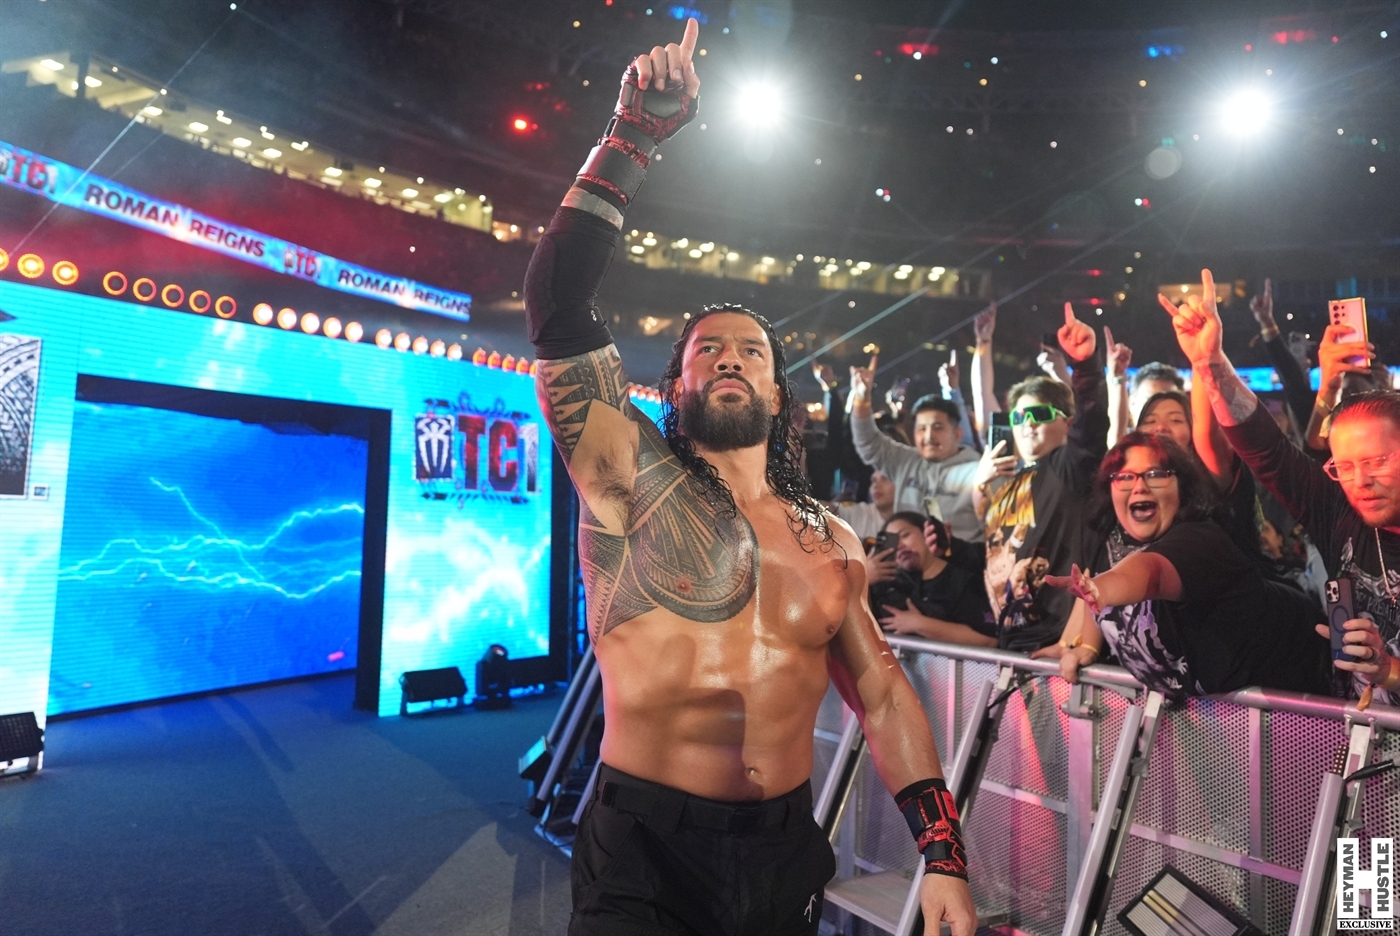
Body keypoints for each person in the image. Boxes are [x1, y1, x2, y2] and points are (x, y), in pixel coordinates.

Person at [522, 19, 976, 934]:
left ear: (776, 392)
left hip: (779, 849)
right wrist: (631, 138)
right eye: (707, 349)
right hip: (642, 851)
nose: (729, 356)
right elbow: (558, 303)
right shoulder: (626, 475)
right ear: (677, 386)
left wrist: (945, 857)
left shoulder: (831, 540)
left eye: (751, 351)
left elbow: (883, 693)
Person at [1160, 268, 1399, 705]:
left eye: (1376, 462)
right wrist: (1210, 365)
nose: (1360, 481)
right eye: (1344, 467)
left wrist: (1390, 671)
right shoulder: (1340, 510)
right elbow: (1266, 448)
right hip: (1357, 733)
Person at [1033, 433, 1331, 699]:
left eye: (1156, 474)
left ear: (1182, 487)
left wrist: (1103, 589)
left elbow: (1152, 574)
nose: (1139, 486)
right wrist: (1086, 645)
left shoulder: (1201, 539)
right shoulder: (1106, 535)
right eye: (1124, 476)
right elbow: (1095, 585)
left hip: (1293, 688)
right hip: (1213, 707)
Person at [972, 303, 1108, 652]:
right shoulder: (1005, 482)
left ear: (1067, 421)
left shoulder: (1068, 467)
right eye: (1018, 417)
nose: (1027, 423)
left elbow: (1091, 424)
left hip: (1057, 643)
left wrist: (1086, 366)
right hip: (1011, 640)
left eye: (1039, 413)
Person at [849, 368, 983, 542]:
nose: (928, 437)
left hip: (959, 559)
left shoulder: (978, 474)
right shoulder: (906, 461)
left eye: (938, 428)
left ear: (957, 434)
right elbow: (867, 441)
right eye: (921, 429)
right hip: (904, 558)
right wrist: (862, 398)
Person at [871, 512, 995, 647]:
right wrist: (863, 579)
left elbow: (989, 639)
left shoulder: (962, 581)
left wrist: (919, 624)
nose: (899, 545)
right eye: (893, 542)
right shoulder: (889, 586)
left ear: (927, 534)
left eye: (905, 535)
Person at [832, 469, 895, 541]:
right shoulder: (861, 512)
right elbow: (830, 509)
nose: (876, 486)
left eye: (885, 479)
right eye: (874, 481)